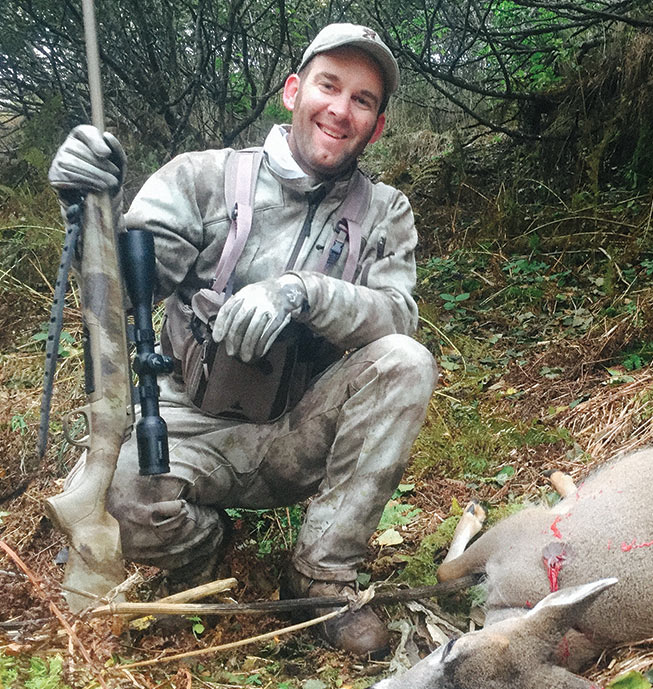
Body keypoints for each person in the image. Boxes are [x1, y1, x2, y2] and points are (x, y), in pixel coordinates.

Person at [47, 23, 437, 656]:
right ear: (292, 91)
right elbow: (118, 291)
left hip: (296, 431)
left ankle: (321, 579)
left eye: (363, 100)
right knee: (122, 501)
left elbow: (398, 316)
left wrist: (303, 292)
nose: (340, 109)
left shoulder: (385, 212)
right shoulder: (201, 178)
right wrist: (84, 205)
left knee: (405, 361)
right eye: (328, 86)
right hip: (185, 418)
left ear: (377, 125)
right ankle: (203, 548)